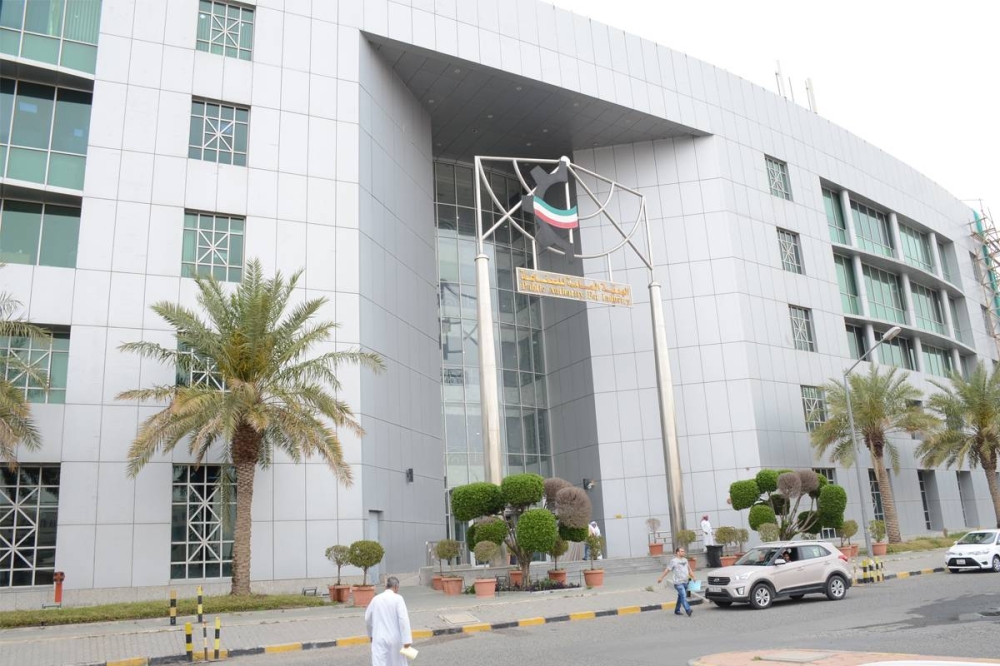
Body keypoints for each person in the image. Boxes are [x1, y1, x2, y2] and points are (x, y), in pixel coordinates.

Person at [365, 577, 413, 666]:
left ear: (385, 587)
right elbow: (403, 619)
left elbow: (368, 618)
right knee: (397, 663)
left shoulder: (376, 599)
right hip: (395, 638)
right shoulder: (398, 599)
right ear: (396, 587)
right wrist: (407, 640)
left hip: (378, 638)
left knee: (379, 663)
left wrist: (371, 635)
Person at [656, 547, 694, 617]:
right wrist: (661, 578)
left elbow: (689, 569)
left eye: (684, 551)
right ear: (677, 552)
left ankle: (677, 610)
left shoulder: (685, 560)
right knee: (683, 596)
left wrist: (693, 577)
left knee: (680, 596)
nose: (683, 552)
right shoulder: (673, 561)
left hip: (685, 582)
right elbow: (667, 570)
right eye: (682, 551)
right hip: (678, 582)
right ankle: (688, 610)